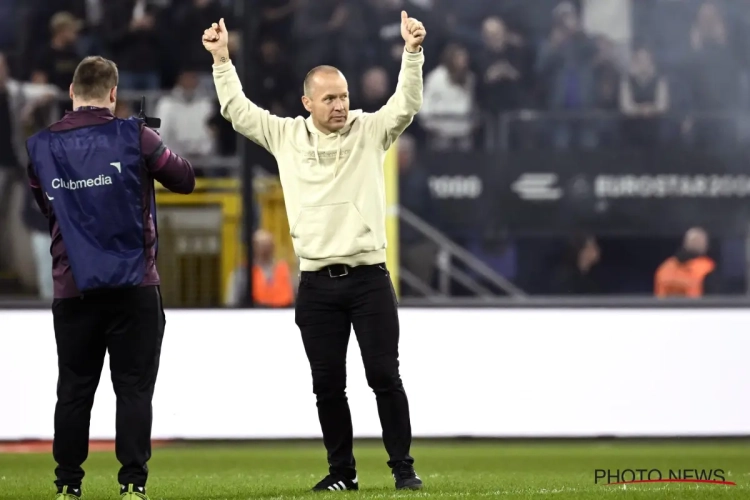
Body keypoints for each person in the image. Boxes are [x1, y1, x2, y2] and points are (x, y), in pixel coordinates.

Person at [203, 12, 426, 492]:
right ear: (308, 103)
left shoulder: (370, 130)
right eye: (329, 98)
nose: (340, 105)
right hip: (316, 285)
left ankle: (403, 470)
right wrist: (222, 60)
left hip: (369, 278)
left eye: (343, 96)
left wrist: (412, 54)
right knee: (328, 386)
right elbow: (238, 112)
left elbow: (405, 105)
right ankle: (342, 474)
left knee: (384, 375)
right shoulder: (286, 136)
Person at [25, 56, 196, 500]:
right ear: (114, 93)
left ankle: (68, 485)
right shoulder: (135, 135)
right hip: (134, 284)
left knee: (74, 389)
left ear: (71, 91)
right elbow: (184, 179)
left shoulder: (39, 146)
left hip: (73, 285)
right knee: (134, 390)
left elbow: (46, 208)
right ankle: (132, 485)